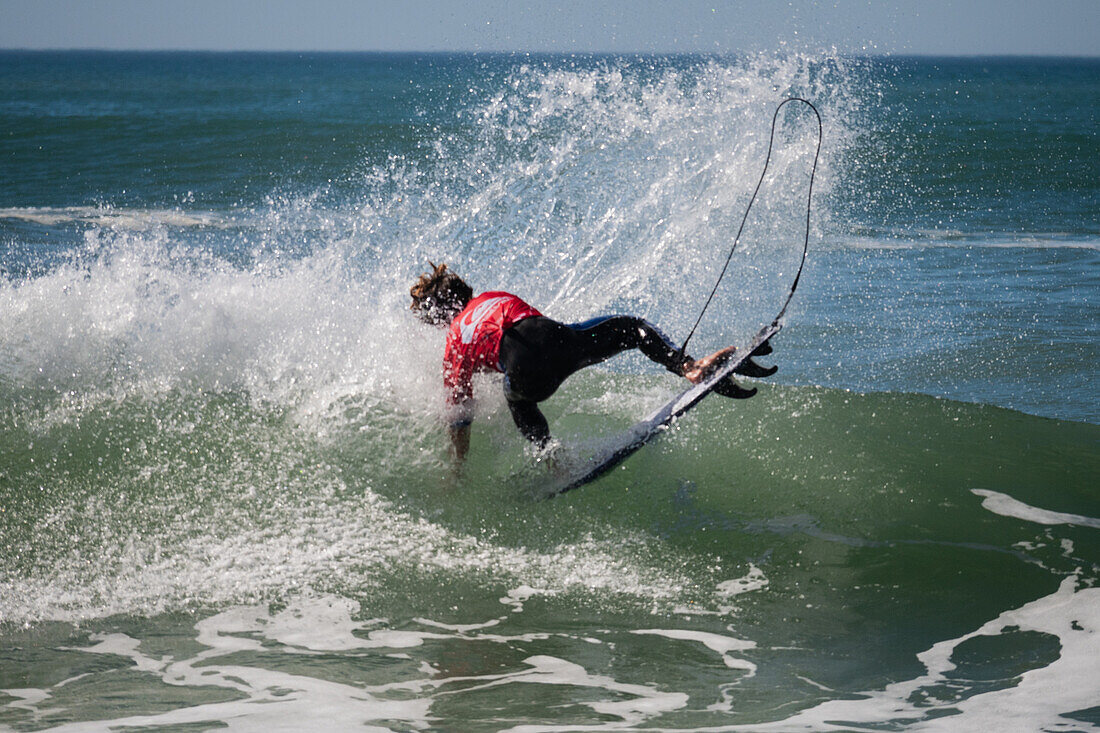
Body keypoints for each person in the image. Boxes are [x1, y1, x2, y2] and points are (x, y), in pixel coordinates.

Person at [410, 262, 776, 461]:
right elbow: (531, 329)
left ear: (440, 317)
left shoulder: (455, 339)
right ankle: (689, 368)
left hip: (525, 368)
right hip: (552, 336)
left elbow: (460, 413)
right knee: (631, 329)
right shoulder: (493, 296)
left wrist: (457, 466)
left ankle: (551, 458)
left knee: (517, 397)